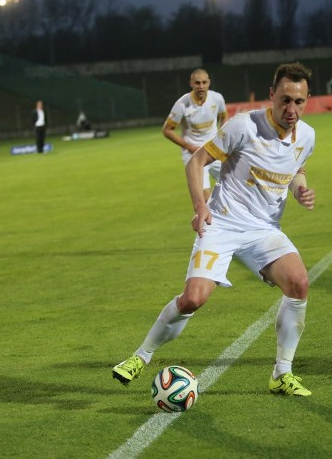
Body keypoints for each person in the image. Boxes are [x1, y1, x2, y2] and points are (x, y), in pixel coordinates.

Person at [113, 62, 317, 397]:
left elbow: (298, 167)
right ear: (271, 95)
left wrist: (300, 189)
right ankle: (140, 356)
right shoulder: (243, 126)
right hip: (221, 223)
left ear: (307, 100)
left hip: (263, 229)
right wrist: (201, 206)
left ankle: (282, 374)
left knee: (299, 284)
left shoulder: (307, 135)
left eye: (299, 102)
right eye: (285, 100)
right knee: (193, 299)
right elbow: (196, 162)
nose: (291, 109)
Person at [162, 69, 228, 201]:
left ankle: (227, 216)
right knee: (204, 199)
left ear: (209, 83)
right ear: (191, 84)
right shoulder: (182, 104)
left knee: (236, 184)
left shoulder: (217, 98)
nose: (201, 86)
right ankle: (213, 218)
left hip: (213, 150)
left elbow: (224, 116)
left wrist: (222, 138)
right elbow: (167, 130)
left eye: (204, 82)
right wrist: (189, 146)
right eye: (197, 83)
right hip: (194, 155)